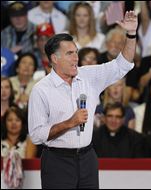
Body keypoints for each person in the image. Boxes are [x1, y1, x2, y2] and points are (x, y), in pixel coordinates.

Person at [28, 11, 138, 189]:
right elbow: (36, 135)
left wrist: (131, 34)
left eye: (76, 52)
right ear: (55, 59)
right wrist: (69, 123)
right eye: (70, 53)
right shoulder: (41, 90)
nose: (76, 58)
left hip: (88, 159)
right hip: (57, 161)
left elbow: (122, 65)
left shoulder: (89, 76)